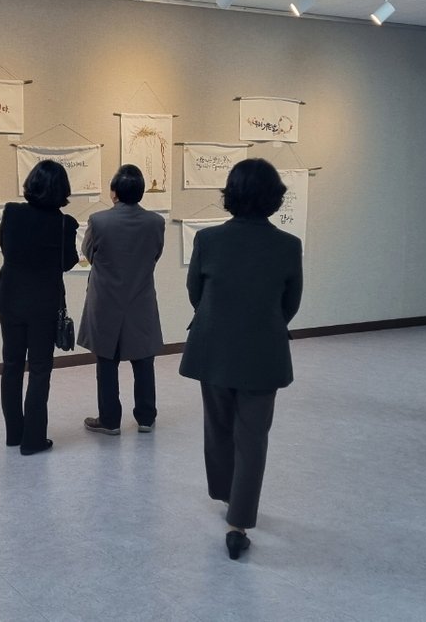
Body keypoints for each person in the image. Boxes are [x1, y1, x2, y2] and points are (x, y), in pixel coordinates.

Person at [178, 158, 302, 560]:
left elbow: (196, 294)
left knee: (218, 428)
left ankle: (226, 494)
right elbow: (291, 304)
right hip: (263, 352)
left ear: (230, 194)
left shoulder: (208, 240)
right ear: (274, 197)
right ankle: (239, 521)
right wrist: (262, 322)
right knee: (253, 438)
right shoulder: (288, 245)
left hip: (213, 348)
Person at [0, 160, 79, 455]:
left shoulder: (12, 212)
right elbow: (67, 263)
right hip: (44, 302)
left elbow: (6, 249)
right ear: (63, 189)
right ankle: (33, 439)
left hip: (10, 298)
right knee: (40, 370)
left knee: (11, 365)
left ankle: (14, 433)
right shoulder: (64, 223)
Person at [78, 165, 165, 436]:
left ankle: (110, 420)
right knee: (144, 360)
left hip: (106, 299)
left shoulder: (98, 221)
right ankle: (146, 418)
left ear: (113, 192)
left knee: (106, 361)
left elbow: (88, 253)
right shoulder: (156, 222)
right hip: (140, 298)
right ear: (141, 192)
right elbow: (155, 254)